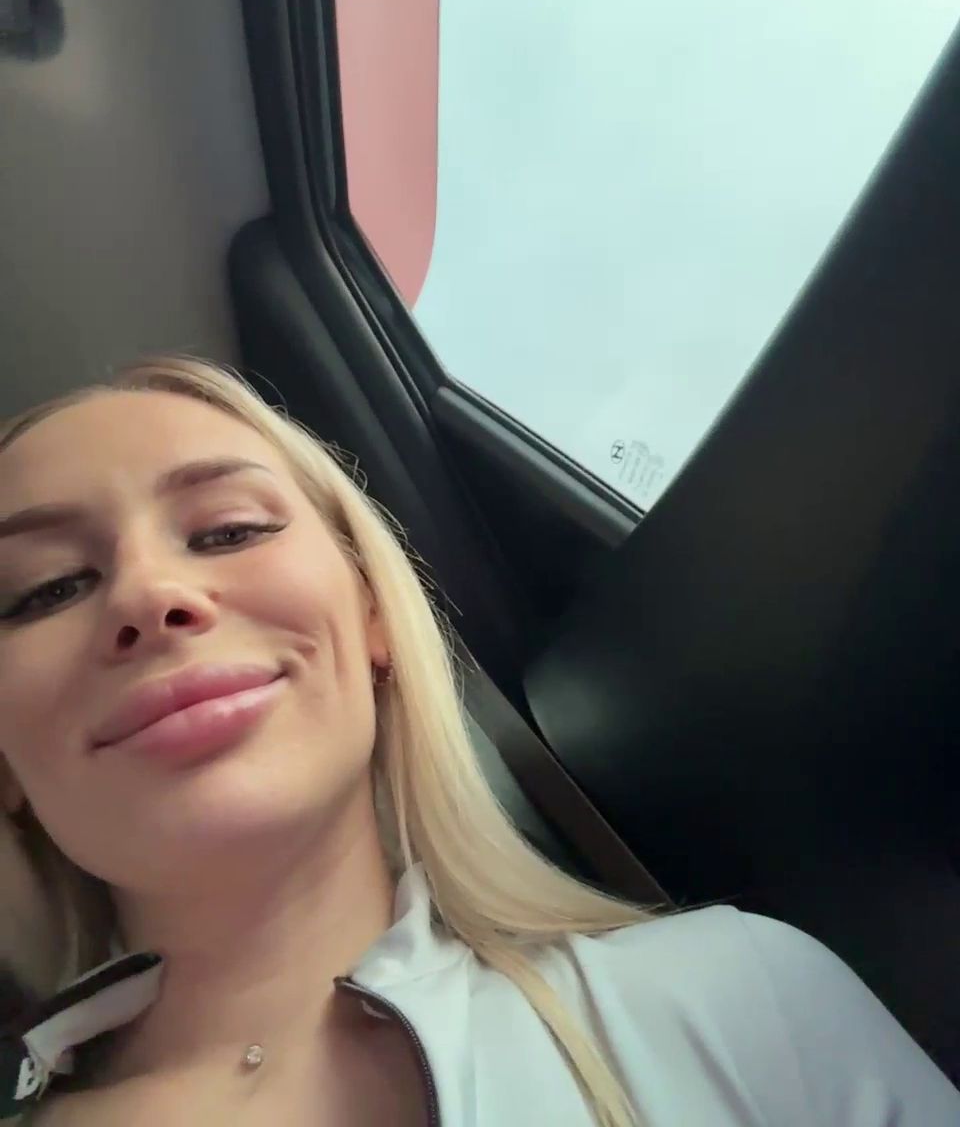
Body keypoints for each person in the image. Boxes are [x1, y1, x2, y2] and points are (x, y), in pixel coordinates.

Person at [0, 354, 956, 1127]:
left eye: (228, 530)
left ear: (372, 618)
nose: (149, 595)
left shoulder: (740, 1004)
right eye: (45, 589)